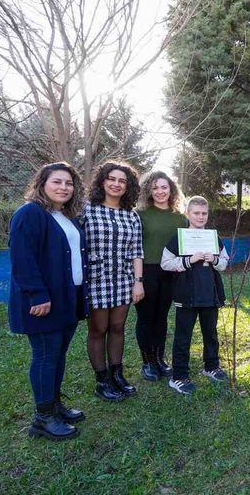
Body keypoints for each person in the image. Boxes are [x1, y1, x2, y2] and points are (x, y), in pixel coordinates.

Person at [8, 162, 88, 440]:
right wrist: (37, 294)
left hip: (68, 298)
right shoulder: (30, 214)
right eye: (57, 182)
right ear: (42, 184)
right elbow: (22, 259)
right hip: (43, 301)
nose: (64, 188)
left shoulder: (66, 216)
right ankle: (42, 419)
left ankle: (54, 406)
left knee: (58, 354)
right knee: (45, 355)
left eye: (69, 183)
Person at [83, 161, 144, 401]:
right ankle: (102, 380)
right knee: (98, 329)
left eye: (122, 181)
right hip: (95, 280)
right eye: (112, 179)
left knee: (118, 327)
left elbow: (137, 251)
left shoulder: (132, 215)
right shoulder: (86, 210)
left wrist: (138, 281)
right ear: (102, 181)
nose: (117, 184)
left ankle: (117, 374)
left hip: (123, 280)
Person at [160, 196, 230, 395]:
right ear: (188, 214)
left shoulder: (213, 238)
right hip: (187, 296)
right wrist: (189, 260)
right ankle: (179, 376)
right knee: (183, 337)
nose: (200, 217)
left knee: (211, 333)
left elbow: (224, 263)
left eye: (204, 213)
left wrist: (214, 259)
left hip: (210, 295)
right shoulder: (180, 238)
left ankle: (211, 366)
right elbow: (165, 263)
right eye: (196, 213)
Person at [134, 171, 187, 382]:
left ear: (171, 189)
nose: (159, 192)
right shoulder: (139, 214)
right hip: (146, 271)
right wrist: (137, 280)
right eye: (154, 188)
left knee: (162, 318)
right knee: (146, 318)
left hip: (171, 272)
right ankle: (147, 362)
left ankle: (159, 358)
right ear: (148, 190)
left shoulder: (180, 217)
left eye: (164, 187)